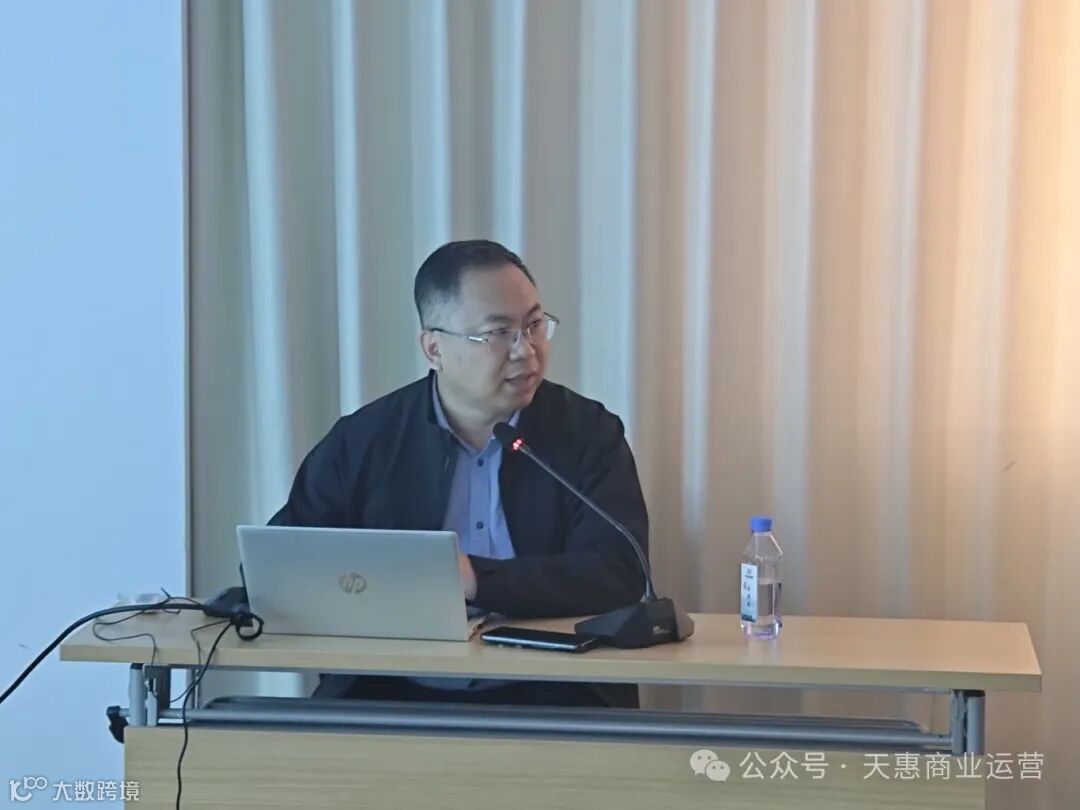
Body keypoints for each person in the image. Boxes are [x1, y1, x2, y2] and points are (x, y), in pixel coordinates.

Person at [270, 239, 648, 708]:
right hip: (395, 694)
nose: (526, 350)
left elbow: (619, 570)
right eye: (498, 333)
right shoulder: (366, 440)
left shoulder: (587, 432)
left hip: (554, 691)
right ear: (434, 349)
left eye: (534, 325)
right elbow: (282, 563)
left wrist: (476, 579)